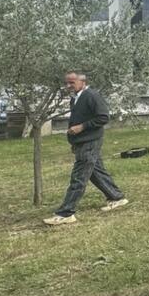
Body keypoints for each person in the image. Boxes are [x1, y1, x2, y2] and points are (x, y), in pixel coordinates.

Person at [43, 72, 129, 226]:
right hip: (82, 142)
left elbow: (103, 117)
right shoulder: (75, 98)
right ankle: (117, 197)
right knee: (95, 172)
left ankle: (66, 213)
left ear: (82, 81)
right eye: (67, 83)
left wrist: (81, 127)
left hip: (90, 141)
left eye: (72, 83)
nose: (68, 86)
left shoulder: (92, 96)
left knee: (79, 176)